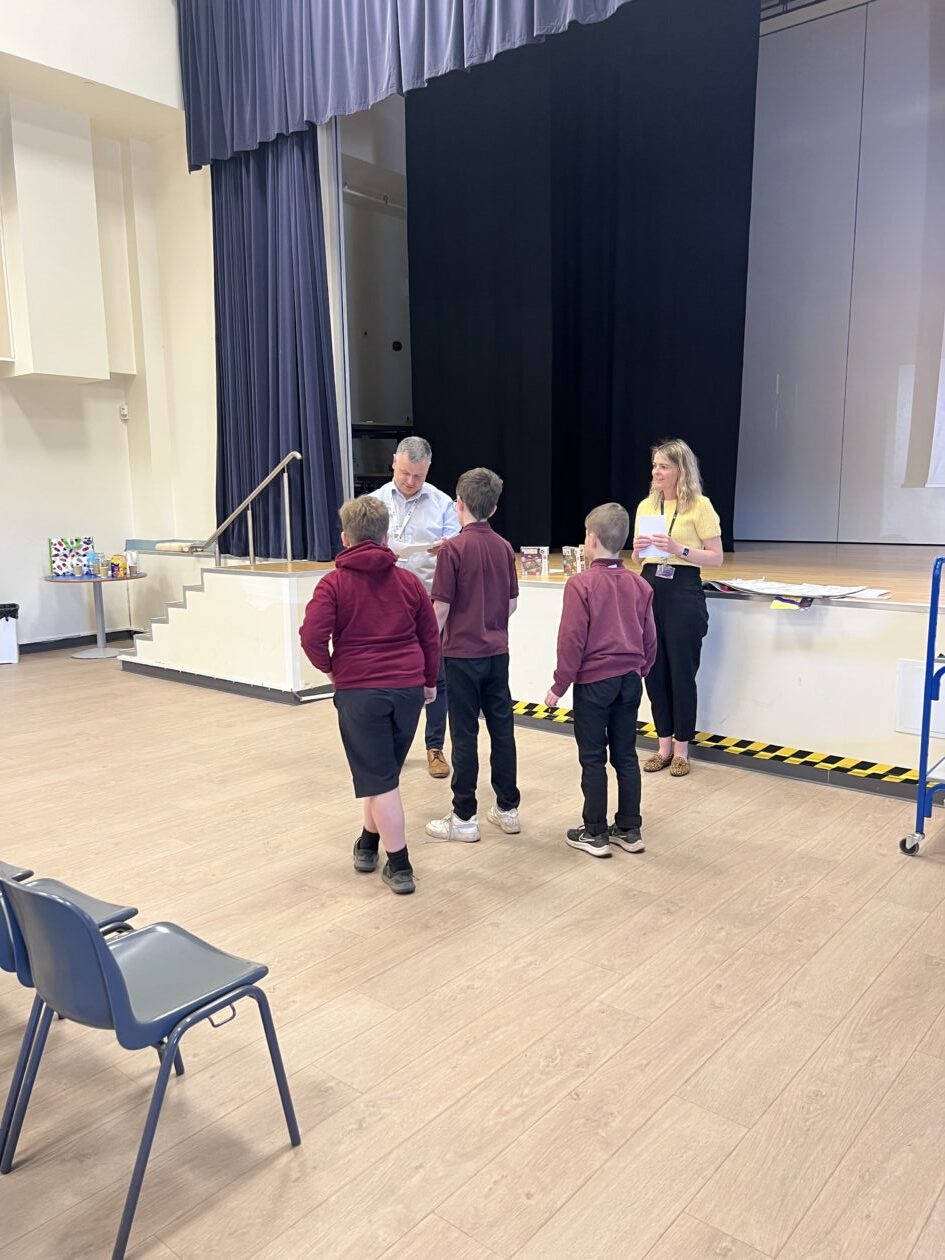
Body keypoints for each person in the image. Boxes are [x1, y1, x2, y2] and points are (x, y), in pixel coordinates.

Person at [299, 495, 440, 895]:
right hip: (407, 690)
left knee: (379, 779)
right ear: (385, 537)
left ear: (345, 538)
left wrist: (330, 668)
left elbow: (311, 637)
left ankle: (400, 865)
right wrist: (429, 681)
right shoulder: (409, 582)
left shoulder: (333, 584)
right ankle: (368, 842)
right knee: (381, 774)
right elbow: (431, 637)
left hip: (359, 691)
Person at [544, 503, 657, 858]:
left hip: (594, 683)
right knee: (625, 754)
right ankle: (629, 828)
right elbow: (650, 638)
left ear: (591, 540)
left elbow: (571, 639)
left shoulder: (580, 584)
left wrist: (560, 684)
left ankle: (594, 831)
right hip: (629, 680)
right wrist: (642, 669)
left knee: (593, 757)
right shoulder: (640, 585)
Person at [425, 467, 521, 843]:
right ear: (494, 508)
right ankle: (508, 809)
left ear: (459, 503)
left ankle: (464, 816)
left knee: (464, 734)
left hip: (462, 655)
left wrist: (425, 647)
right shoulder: (504, 547)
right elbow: (512, 604)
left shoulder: (452, 550)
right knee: (502, 730)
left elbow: (441, 609)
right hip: (497, 653)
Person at [632, 438, 723, 777]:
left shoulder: (700, 506)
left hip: (683, 591)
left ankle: (682, 749)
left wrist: (678, 548)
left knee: (681, 674)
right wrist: (638, 549)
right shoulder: (646, 506)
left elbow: (716, 558)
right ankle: (663, 746)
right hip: (649, 587)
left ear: (680, 470)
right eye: (654, 466)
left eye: (663, 466)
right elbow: (638, 559)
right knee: (654, 673)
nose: (656, 472)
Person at [372, 436, 460, 780]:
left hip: (427, 600)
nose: (410, 482)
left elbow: (458, 542)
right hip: (384, 599)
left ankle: (434, 747)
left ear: (428, 470)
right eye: (405, 473)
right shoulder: (375, 502)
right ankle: (391, 745)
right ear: (394, 461)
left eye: (418, 476)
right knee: (388, 674)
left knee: (435, 674)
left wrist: (447, 546)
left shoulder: (442, 503)